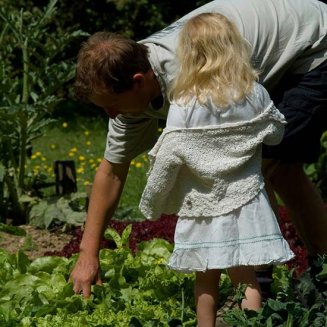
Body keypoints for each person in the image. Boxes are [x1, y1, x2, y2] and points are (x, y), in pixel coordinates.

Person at [70, 0, 327, 299]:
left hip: (314, 42)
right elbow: (112, 172)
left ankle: (314, 277)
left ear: (138, 82)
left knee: (275, 166)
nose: (111, 115)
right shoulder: (128, 71)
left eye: (111, 106)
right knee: (270, 168)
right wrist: (88, 255)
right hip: (272, 49)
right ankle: (267, 284)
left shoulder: (194, 76)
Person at [138, 12, 294, 326]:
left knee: (205, 279)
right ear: (234, 48)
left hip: (203, 209)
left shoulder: (183, 104)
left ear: (189, 55)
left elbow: (168, 159)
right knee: (246, 276)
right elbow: (276, 134)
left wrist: (152, 204)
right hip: (247, 203)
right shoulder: (254, 93)